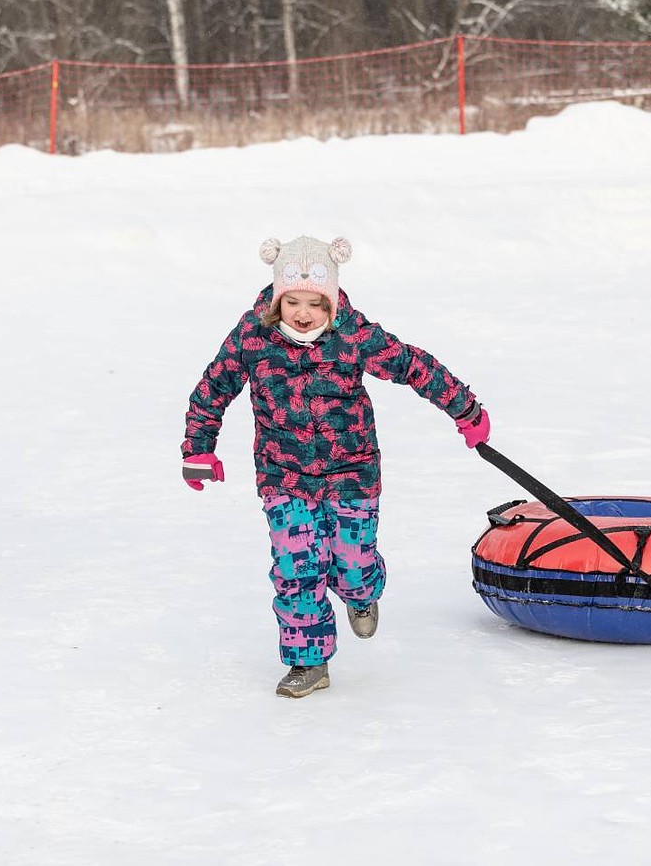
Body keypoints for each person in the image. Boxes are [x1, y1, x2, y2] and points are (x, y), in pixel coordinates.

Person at [180, 235, 490, 698]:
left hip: (352, 474)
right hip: (283, 477)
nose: (303, 313)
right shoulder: (253, 336)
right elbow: (214, 387)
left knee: (352, 563)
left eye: (315, 304)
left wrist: (465, 410)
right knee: (296, 568)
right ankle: (309, 662)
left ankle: (363, 592)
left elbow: (411, 364)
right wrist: (198, 448)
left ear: (332, 302)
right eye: (292, 301)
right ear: (276, 297)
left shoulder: (353, 335)